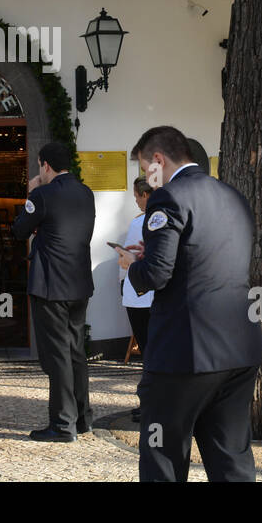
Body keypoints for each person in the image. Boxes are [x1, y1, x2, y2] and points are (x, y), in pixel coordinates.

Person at [124, 125, 262, 482]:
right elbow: (207, 257)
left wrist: (133, 266)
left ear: (158, 159)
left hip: (184, 352)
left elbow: (156, 275)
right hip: (237, 348)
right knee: (230, 457)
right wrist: (153, 255)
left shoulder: (168, 197)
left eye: (145, 169)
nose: (146, 177)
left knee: (163, 456)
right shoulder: (232, 196)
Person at [12, 141, 95, 442]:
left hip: (50, 286)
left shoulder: (42, 194)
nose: (39, 171)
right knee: (75, 351)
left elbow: (19, 229)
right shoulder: (86, 193)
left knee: (58, 356)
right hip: (79, 284)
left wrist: (31, 194)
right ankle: (83, 417)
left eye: (38, 166)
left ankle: (62, 425)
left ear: (45, 165)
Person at [120, 177, 155, 421]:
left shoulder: (141, 222)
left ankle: (150, 403)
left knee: (149, 352)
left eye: (136, 195)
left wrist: (123, 284)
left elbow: (128, 256)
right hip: (157, 295)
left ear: (145, 195)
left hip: (139, 295)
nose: (135, 199)